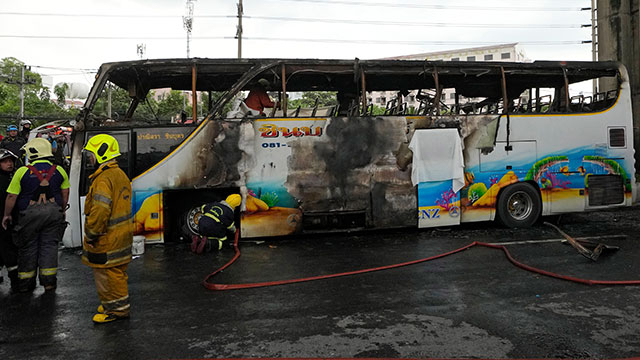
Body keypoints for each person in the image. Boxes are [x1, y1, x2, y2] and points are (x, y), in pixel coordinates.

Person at [2, 138, 69, 293]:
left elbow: (11, 197)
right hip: (54, 214)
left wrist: (6, 215)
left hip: (28, 217)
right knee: (49, 247)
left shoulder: (22, 171)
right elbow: (65, 193)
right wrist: (62, 209)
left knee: (28, 247)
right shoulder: (59, 170)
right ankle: (49, 283)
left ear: (32, 153)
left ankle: (26, 284)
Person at [82, 134, 133, 324]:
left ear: (101, 154)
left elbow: (100, 211)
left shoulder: (103, 179)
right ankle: (112, 303)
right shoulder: (119, 174)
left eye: (91, 154)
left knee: (107, 275)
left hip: (106, 238)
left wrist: (91, 233)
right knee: (117, 273)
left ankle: (116, 311)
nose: (90, 158)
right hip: (121, 236)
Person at [0, 149, 19, 292]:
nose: (9, 164)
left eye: (11, 161)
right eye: (5, 161)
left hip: (12, 219)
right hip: (3, 220)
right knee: (8, 249)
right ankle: (14, 279)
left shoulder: (14, 177)